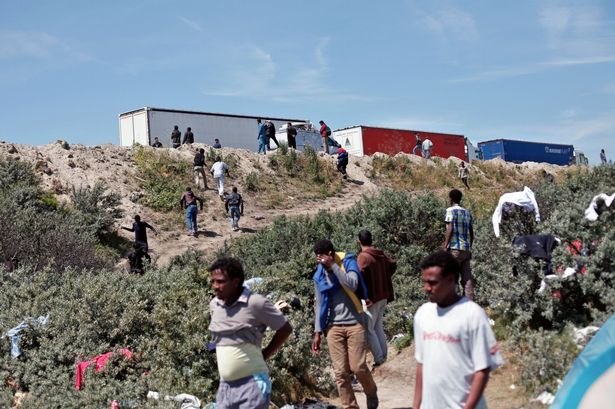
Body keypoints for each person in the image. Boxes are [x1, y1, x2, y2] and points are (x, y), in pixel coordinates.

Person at [412, 251, 502, 409]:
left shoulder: (472, 314)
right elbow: (421, 365)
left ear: (451, 280)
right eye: (424, 282)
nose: (427, 288)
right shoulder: (423, 314)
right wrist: (416, 406)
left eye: (433, 282)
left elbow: (482, 370)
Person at [209, 257, 292, 409]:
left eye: (220, 282)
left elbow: (285, 329)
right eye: (213, 281)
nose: (215, 286)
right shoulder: (214, 305)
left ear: (235, 282)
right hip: (225, 386)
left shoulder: (255, 303)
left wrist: (264, 354)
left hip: (252, 384)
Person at [311, 239, 379, 409]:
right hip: (333, 327)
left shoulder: (347, 262)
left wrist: (333, 266)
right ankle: (350, 406)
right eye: (317, 259)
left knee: (358, 367)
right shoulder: (319, 274)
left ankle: (371, 392)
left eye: (322, 258)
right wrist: (317, 332)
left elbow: (353, 284)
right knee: (341, 373)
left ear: (330, 254)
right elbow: (319, 304)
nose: (320, 262)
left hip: (355, 322)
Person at [357, 230, 396, 367]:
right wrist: (384, 278)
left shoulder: (363, 257)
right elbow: (393, 264)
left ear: (359, 242)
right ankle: (383, 356)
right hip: (383, 295)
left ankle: (379, 359)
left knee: (369, 329)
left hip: (371, 298)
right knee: (378, 326)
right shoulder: (381, 253)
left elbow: (359, 277)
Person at [443, 188, 474, 299]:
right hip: (466, 249)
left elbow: (450, 227)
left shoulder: (450, 210)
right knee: (467, 278)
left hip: (455, 248)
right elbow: (471, 231)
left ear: (451, 199)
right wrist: (469, 245)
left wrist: (446, 245)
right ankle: (469, 301)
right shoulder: (467, 212)